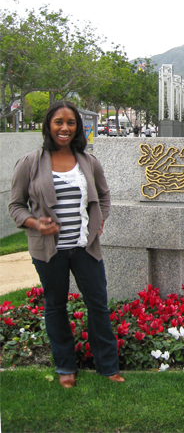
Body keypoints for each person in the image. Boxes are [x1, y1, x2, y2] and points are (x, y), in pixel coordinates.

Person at [9, 100, 125, 388]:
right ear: (49, 125)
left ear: (78, 128)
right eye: (58, 122)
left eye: (70, 123)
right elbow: (15, 206)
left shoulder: (88, 161)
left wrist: (101, 220)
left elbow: (104, 196)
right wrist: (36, 224)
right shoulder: (30, 163)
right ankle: (65, 368)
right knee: (55, 306)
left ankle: (108, 367)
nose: (64, 128)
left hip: (86, 247)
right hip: (49, 252)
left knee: (98, 305)